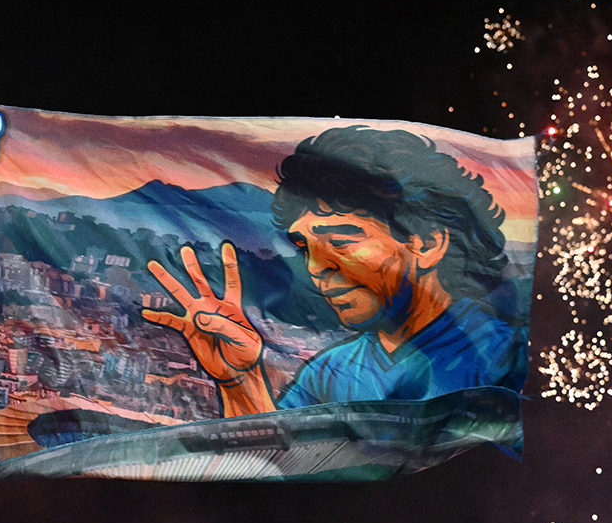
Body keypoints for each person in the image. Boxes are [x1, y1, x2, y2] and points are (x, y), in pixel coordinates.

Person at [141, 125, 527, 416]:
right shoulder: (329, 372)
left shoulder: (507, 356)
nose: (315, 268)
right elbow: (279, 461)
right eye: (305, 247)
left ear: (426, 243)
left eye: (341, 241)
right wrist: (240, 379)